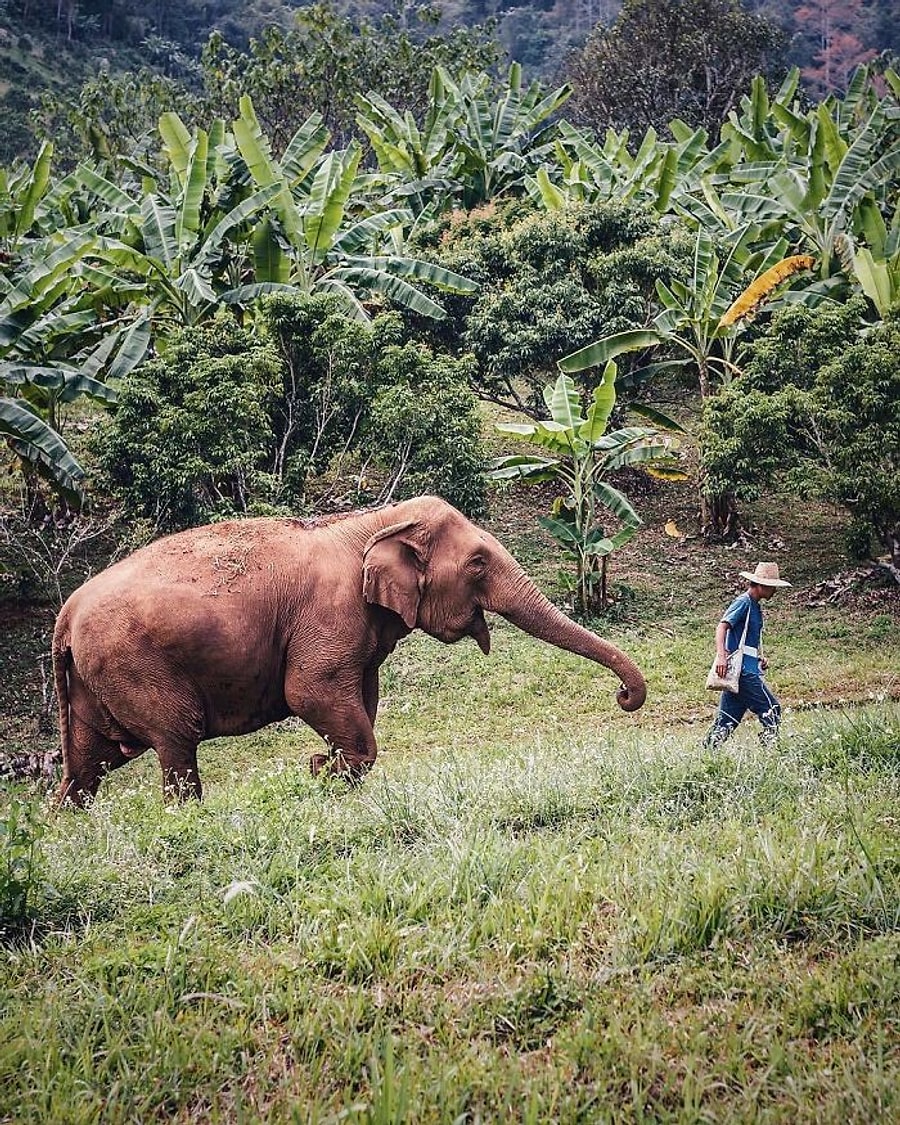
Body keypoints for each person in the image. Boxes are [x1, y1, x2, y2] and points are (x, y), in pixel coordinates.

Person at [705, 561, 791, 748]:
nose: (774, 592)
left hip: (747, 666)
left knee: (727, 720)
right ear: (761, 586)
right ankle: (770, 749)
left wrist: (758, 658)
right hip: (744, 673)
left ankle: (707, 753)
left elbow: (744, 643)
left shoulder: (755, 606)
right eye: (772, 587)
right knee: (771, 709)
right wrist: (721, 655)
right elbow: (722, 626)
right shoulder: (743, 602)